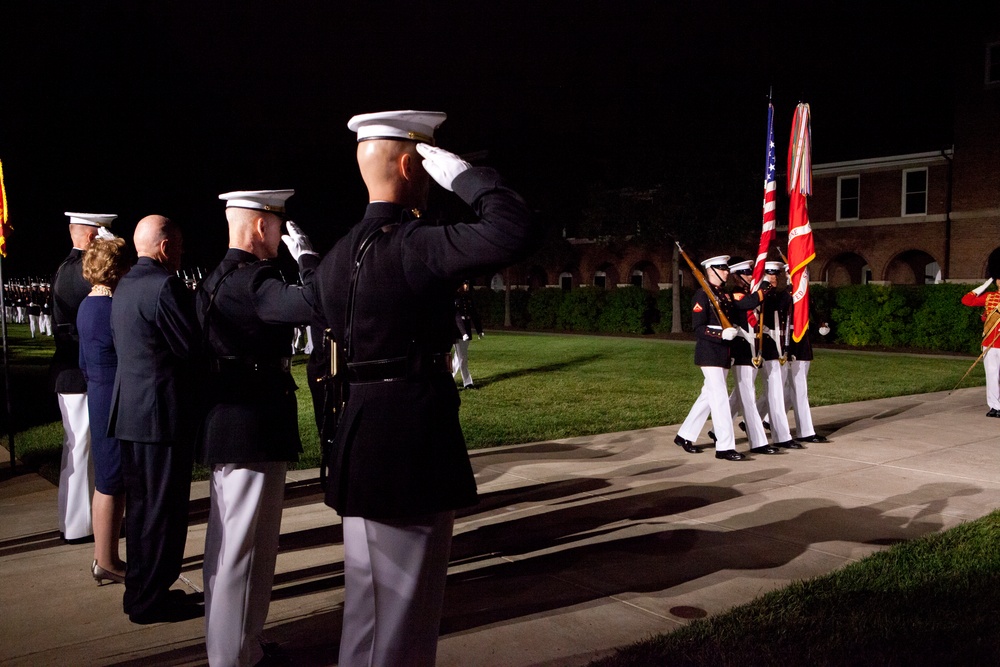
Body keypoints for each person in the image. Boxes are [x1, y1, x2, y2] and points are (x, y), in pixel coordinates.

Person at [312, 110, 538, 667]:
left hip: (362, 430)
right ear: (415, 165)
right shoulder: (413, 243)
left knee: (368, 615)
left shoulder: (338, 254)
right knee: (406, 618)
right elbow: (514, 228)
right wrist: (465, 177)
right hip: (410, 437)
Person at [197, 190, 319, 667]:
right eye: (276, 224)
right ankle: (233, 656)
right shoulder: (254, 280)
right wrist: (307, 260)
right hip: (253, 425)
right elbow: (315, 303)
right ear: (260, 228)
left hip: (230, 421)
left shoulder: (214, 278)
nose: (279, 233)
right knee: (246, 553)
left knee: (228, 548)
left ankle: (236, 643)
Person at [109, 215, 201, 624]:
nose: (181, 254)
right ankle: (152, 599)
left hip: (130, 414)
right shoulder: (165, 286)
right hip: (161, 417)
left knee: (143, 512)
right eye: (178, 246)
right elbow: (190, 350)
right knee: (163, 514)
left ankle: (140, 592)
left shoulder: (125, 284)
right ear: (165, 248)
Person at [52, 212, 115, 543]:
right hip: (80, 372)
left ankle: (73, 521)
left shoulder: (67, 266)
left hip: (72, 372)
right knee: (81, 450)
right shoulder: (80, 271)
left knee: (76, 450)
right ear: (93, 238)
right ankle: (78, 526)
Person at [674, 255, 769, 461]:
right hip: (709, 352)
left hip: (724, 353)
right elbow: (698, 328)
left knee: (708, 395)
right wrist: (719, 334)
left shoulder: (723, 296)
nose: (727, 272)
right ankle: (725, 446)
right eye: (723, 269)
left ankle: (684, 435)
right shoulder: (701, 296)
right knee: (719, 400)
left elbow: (738, 313)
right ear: (711, 271)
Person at [77, 235, 131, 585]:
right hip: (113, 396)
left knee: (108, 480)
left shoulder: (88, 304)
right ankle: (107, 560)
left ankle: (105, 557)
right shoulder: (111, 308)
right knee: (112, 481)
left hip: (99, 392)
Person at [721, 259, 778, 455]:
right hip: (741, 348)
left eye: (750, 273)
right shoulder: (735, 293)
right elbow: (749, 303)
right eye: (745, 273)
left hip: (753, 346)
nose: (749, 276)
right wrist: (763, 287)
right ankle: (758, 441)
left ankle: (717, 430)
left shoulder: (750, 292)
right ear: (736, 276)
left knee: (741, 394)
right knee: (747, 394)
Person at [752, 261, 802, 450]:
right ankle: (718, 431)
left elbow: (783, 304)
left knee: (775, 393)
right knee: (741, 395)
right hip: (756, 347)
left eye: (776, 275)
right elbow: (775, 305)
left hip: (773, 349)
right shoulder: (759, 294)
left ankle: (781, 436)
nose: (773, 278)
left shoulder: (774, 294)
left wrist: (792, 284)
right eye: (769, 274)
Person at [961, 268, 1000, 417]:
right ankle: (995, 407)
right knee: (991, 375)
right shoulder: (989, 297)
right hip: (990, 343)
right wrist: (986, 283)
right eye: (998, 279)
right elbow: (967, 300)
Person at [452, 279, 483, 389]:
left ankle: (449, 377)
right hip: (458, 331)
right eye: (464, 284)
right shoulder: (454, 298)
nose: (466, 286)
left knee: (459, 357)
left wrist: (479, 330)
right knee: (463, 358)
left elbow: (474, 314)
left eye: (467, 284)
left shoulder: (468, 298)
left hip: (466, 329)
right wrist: (463, 332)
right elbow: (456, 317)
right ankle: (468, 382)